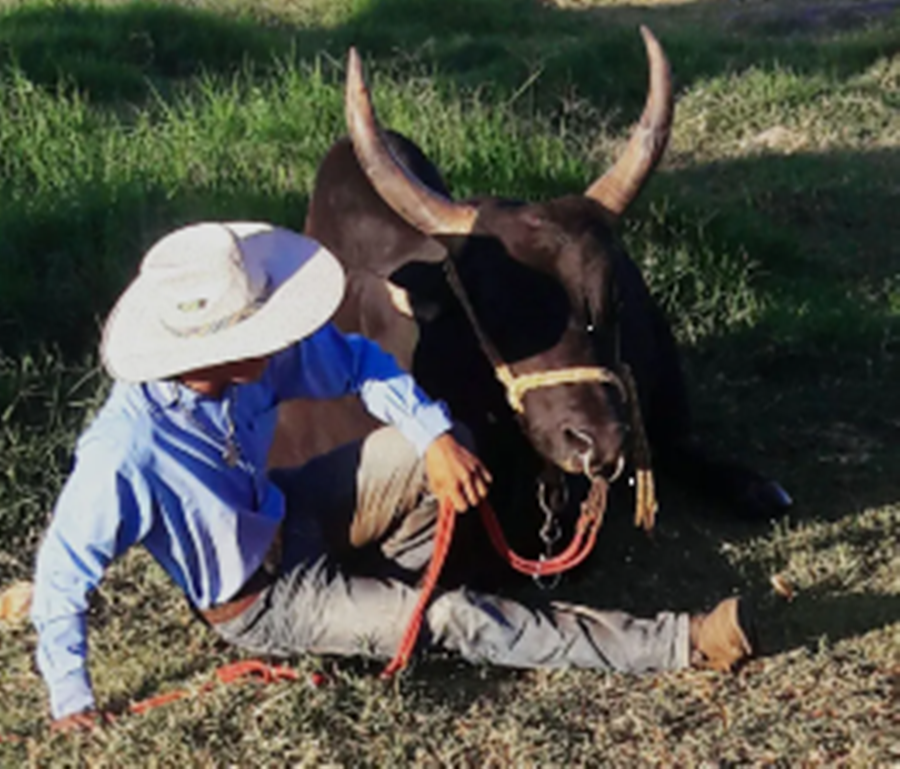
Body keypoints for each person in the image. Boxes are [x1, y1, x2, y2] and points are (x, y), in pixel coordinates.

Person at [31, 222, 756, 731]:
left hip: (301, 508)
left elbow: (361, 363)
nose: (275, 336)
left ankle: (391, 582)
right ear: (203, 353)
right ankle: (679, 641)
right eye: (252, 329)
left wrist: (434, 435)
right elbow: (64, 574)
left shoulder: (253, 364)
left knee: (442, 449)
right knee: (454, 617)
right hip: (263, 599)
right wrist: (71, 698)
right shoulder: (122, 453)